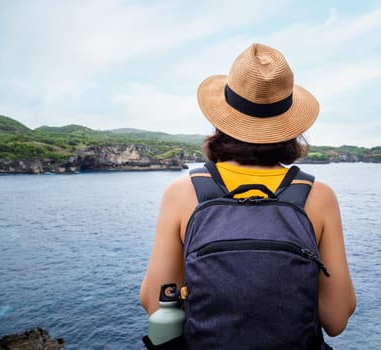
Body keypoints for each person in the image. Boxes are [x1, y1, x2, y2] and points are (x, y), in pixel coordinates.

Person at [140, 43, 356, 346]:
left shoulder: (182, 193)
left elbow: (154, 302)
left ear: (222, 119)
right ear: (290, 124)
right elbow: (337, 318)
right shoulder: (318, 197)